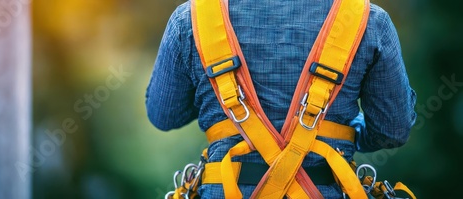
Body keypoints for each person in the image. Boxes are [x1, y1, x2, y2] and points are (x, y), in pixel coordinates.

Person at [146, 0, 417, 198]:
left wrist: (217, 101)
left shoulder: (191, 19)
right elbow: (391, 130)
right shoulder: (367, 20)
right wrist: (345, 132)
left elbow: (164, 115)